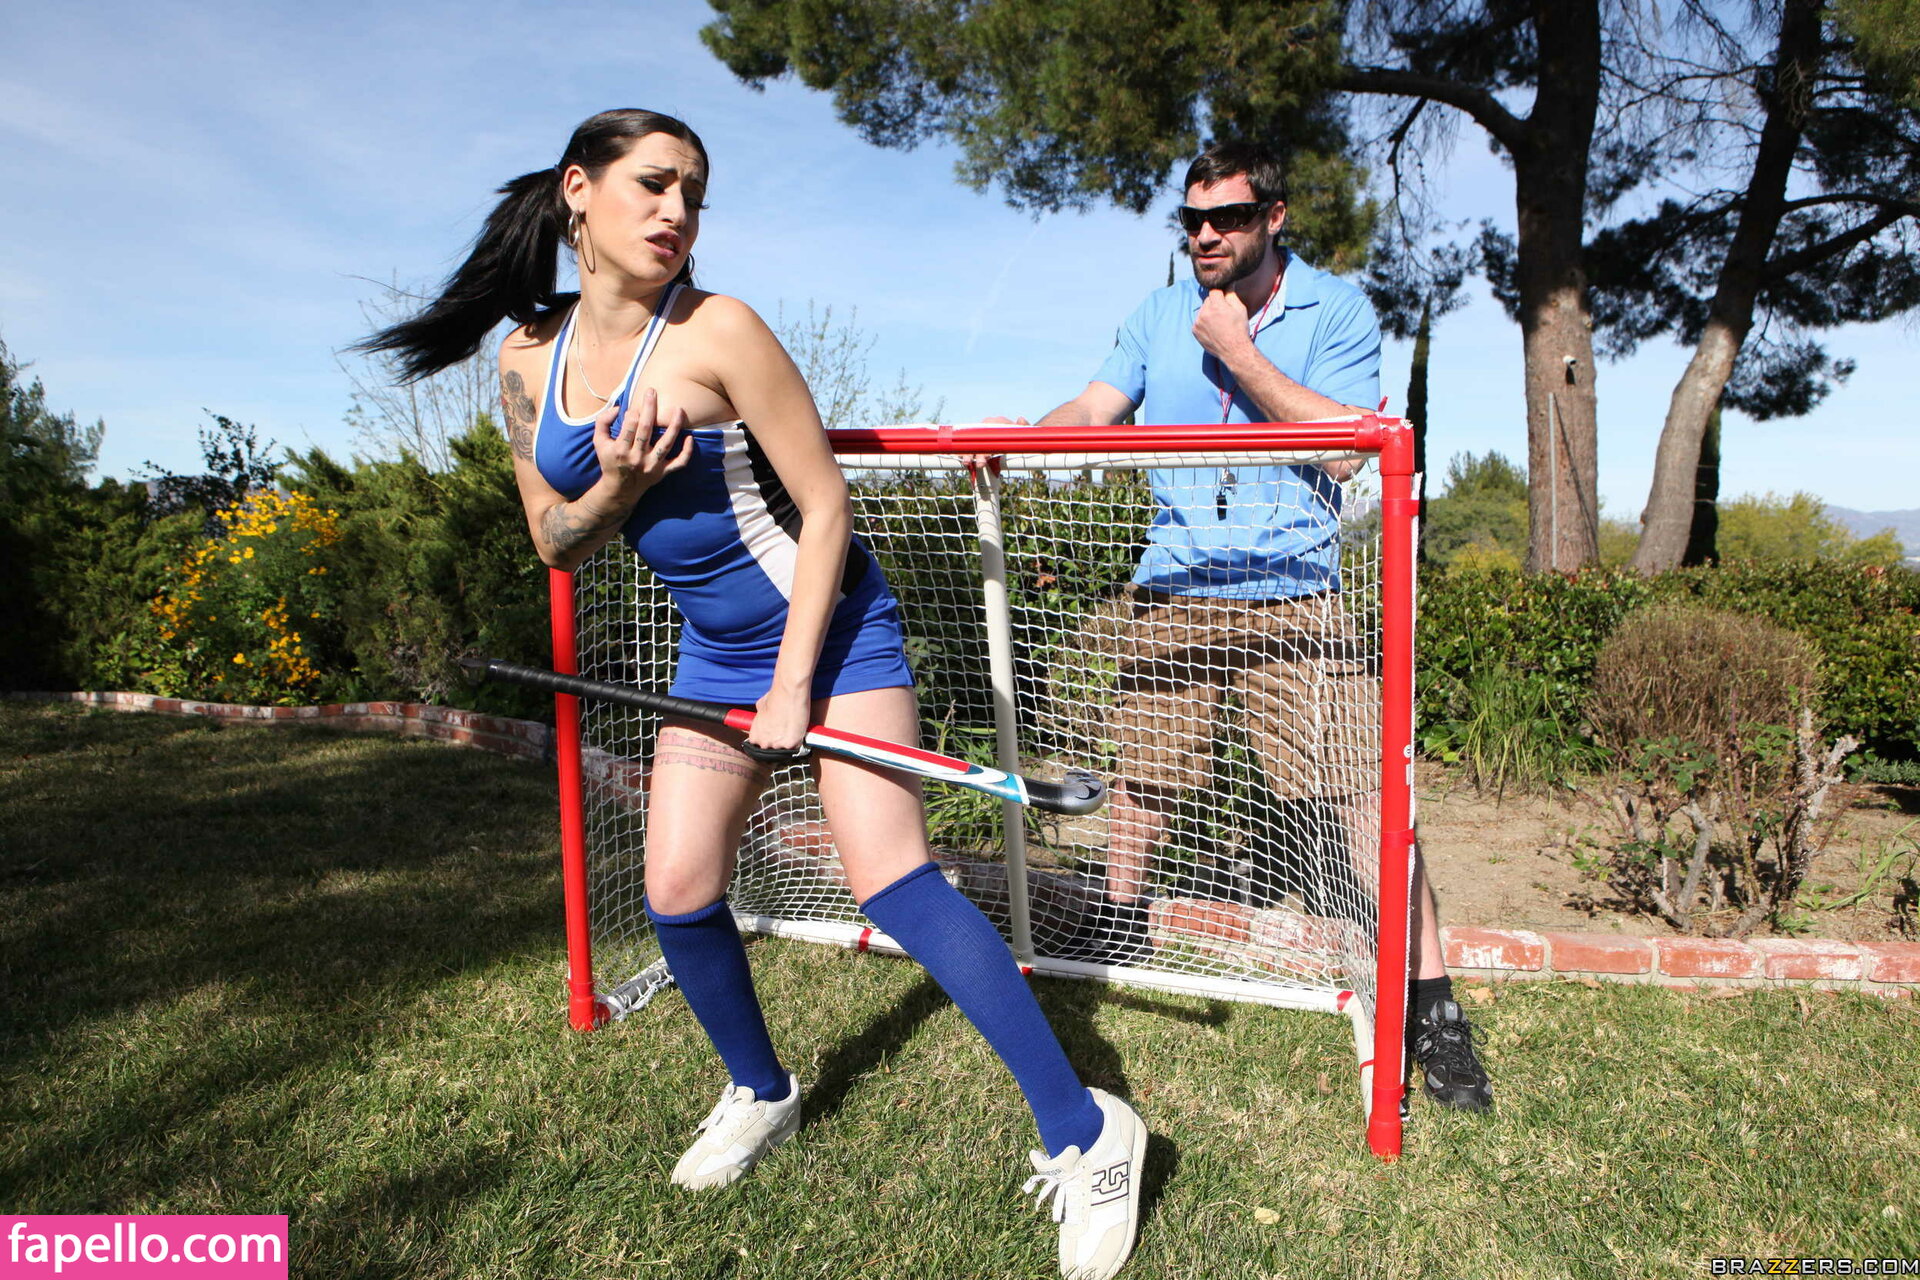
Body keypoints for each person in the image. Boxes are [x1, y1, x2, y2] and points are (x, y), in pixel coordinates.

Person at [359, 109, 1146, 1279]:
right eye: (652, 184)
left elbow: (826, 507)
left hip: (836, 634)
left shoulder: (718, 328)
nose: (676, 211)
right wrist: (616, 484)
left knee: (894, 877)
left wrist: (795, 685)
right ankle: (761, 1088)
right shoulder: (527, 359)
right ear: (578, 189)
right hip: (716, 650)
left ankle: (1088, 1131)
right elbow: (555, 538)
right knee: (677, 886)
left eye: (693, 192)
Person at [1003, 140, 1492, 1114]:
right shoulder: (1156, 314)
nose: (1205, 236)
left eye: (1226, 217)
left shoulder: (1336, 310)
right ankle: (1118, 926)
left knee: (1365, 796)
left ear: (1274, 217)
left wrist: (1236, 351)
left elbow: (1345, 449)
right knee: (1144, 776)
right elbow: (1096, 406)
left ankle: (1432, 1003)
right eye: (1192, 220)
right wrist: (1016, 442)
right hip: (1176, 586)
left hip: (1295, 591)